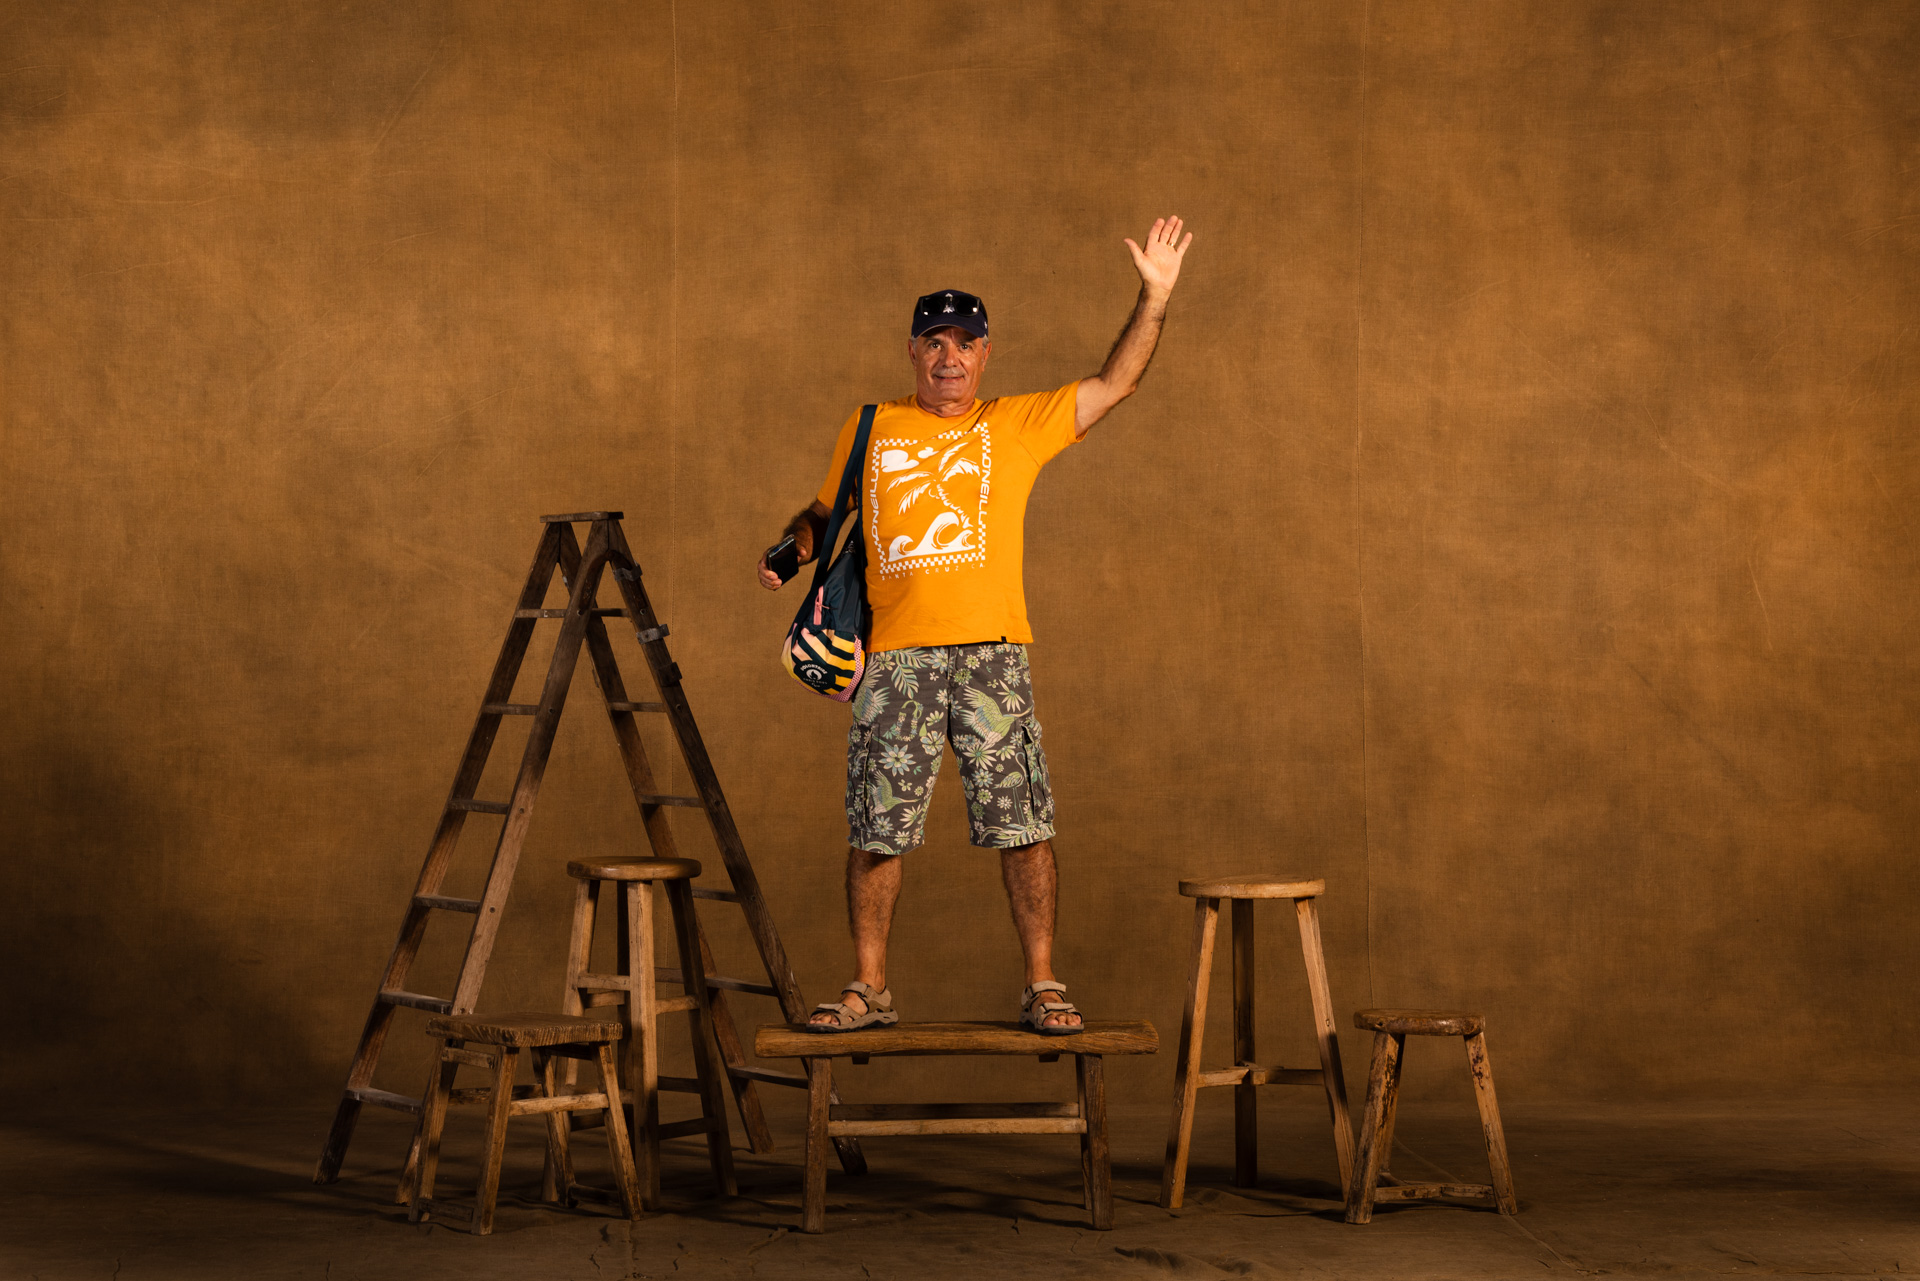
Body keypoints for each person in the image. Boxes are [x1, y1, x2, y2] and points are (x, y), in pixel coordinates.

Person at [757, 216, 1194, 1034]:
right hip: (894, 659)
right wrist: (792, 548)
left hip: (993, 654)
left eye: (964, 343)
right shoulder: (870, 425)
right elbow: (821, 513)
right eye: (935, 342)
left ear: (986, 354)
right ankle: (869, 987)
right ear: (912, 352)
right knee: (877, 827)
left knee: (1022, 824)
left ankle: (1042, 982)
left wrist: (1155, 296)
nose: (949, 357)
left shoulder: (1016, 424)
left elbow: (1115, 382)